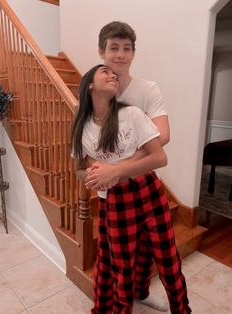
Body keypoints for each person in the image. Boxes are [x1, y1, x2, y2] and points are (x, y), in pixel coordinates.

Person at [72, 64, 191, 314]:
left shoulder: (133, 114)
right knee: (121, 267)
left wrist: (114, 171)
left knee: (168, 260)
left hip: (148, 190)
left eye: (113, 73)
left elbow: (160, 158)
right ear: (90, 85)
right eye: (105, 71)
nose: (112, 74)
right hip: (115, 200)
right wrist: (95, 176)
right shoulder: (82, 127)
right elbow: (78, 169)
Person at [86, 21, 170, 311]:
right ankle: (113, 301)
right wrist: (101, 173)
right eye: (113, 48)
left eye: (126, 49)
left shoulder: (146, 89)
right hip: (110, 195)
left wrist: (118, 169)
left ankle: (142, 292)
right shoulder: (97, 88)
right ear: (101, 51)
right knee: (113, 256)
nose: (119, 55)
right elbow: (88, 143)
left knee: (147, 248)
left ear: (133, 53)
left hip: (143, 184)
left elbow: (163, 135)